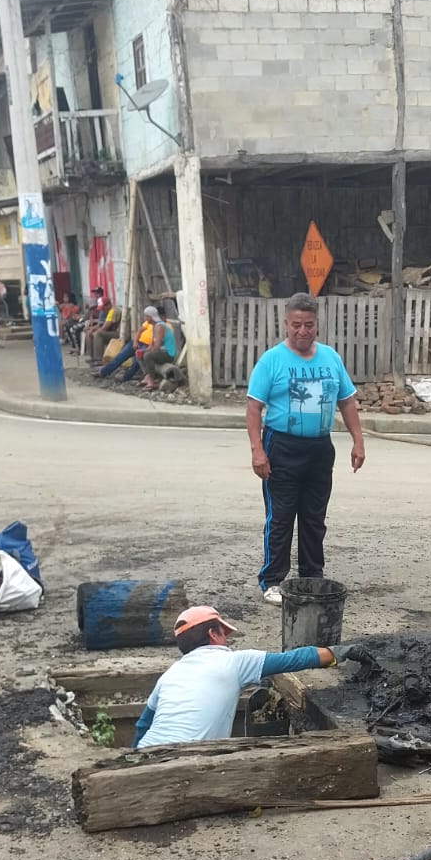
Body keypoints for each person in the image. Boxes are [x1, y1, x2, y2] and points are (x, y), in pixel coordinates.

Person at [246, 293, 366, 605]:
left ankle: (312, 575)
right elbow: (253, 408)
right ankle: (273, 580)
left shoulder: (330, 358)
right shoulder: (271, 361)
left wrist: (358, 441)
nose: (302, 331)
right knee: (281, 516)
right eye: (296, 325)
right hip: (281, 447)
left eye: (309, 325)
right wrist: (257, 451)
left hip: (319, 449)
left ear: (317, 325)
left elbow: (347, 401)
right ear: (286, 324)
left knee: (314, 517)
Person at [133, 605, 358, 747]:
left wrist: (132, 759)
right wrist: (340, 652)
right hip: (186, 759)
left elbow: (143, 724)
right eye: (224, 634)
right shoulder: (234, 661)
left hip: (146, 751)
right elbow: (294, 659)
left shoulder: (170, 675)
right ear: (212, 634)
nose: (227, 640)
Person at [96, 305, 167, 383]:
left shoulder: (164, 326)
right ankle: (104, 372)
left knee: (136, 362)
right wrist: (135, 341)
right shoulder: (148, 322)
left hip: (148, 346)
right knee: (121, 356)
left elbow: (159, 342)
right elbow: (138, 332)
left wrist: (147, 349)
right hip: (138, 342)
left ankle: (125, 377)